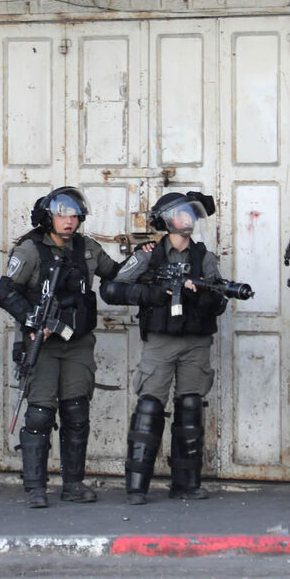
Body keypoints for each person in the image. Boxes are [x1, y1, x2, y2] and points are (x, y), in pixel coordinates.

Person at [0, 187, 121, 508]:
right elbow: (7, 291)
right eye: (63, 214)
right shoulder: (31, 250)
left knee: (76, 410)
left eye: (75, 215)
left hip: (77, 342)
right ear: (49, 216)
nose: (70, 221)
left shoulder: (87, 249)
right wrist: (33, 322)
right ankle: (35, 486)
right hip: (42, 342)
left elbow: (117, 275)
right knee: (39, 414)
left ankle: (73, 485)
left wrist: (145, 257)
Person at [100, 192, 229, 505]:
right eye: (179, 214)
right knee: (150, 406)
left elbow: (220, 301)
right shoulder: (149, 255)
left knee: (191, 408)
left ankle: (186, 482)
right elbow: (112, 288)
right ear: (166, 220)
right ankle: (137, 486)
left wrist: (200, 295)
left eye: (190, 214)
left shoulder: (204, 257)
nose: (187, 220)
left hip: (196, 342)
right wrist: (153, 293)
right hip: (160, 341)